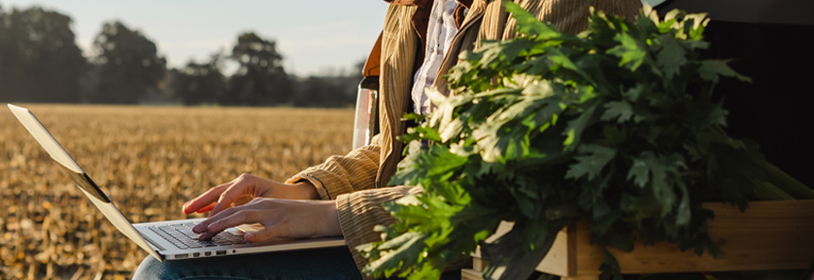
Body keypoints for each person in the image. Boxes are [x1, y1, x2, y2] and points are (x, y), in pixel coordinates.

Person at [132, 0, 641, 279]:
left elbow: (518, 174)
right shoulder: (412, 8)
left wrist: (334, 218)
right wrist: (307, 192)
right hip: (403, 229)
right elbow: (400, 146)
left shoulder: (564, 5)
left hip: (484, 254)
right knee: (162, 265)